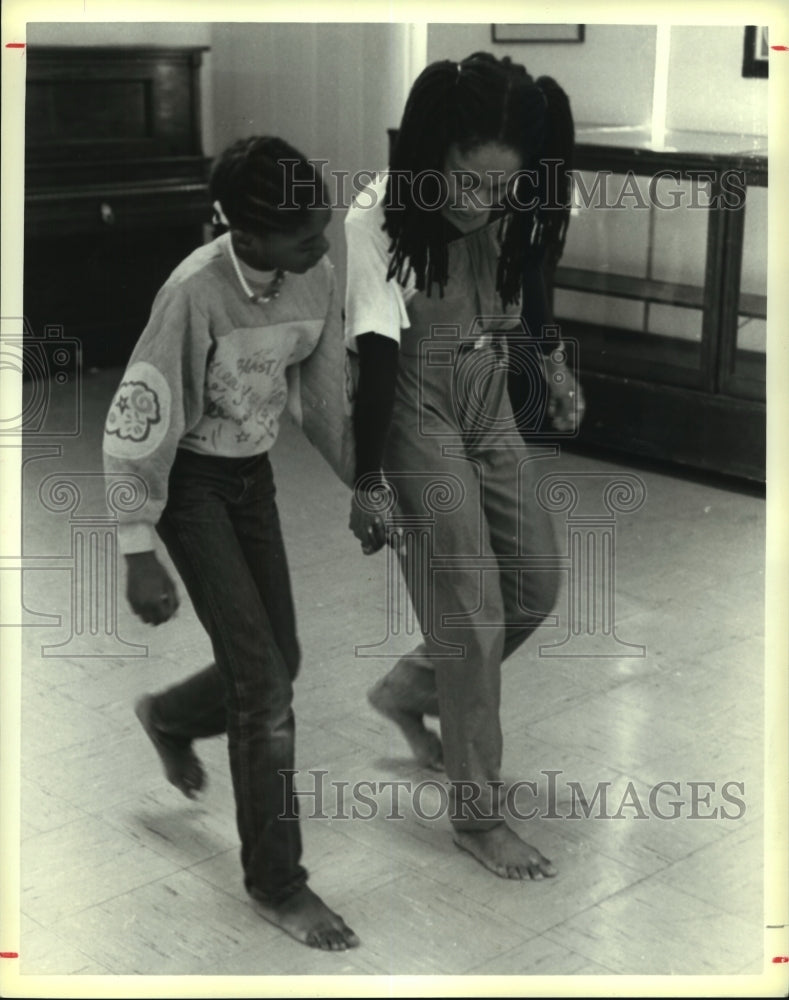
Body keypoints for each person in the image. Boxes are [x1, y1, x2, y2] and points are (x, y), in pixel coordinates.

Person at [103, 135, 358, 951]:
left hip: (250, 477)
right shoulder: (193, 293)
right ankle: (278, 883)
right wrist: (137, 549)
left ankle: (169, 717)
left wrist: (371, 485)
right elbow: (138, 423)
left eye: (321, 227)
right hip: (190, 486)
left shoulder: (312, 275)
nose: (321, 245)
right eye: (303, 234)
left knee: (278, 659)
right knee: (263, 687)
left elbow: (322, 400)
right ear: (247, 237)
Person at [345, 52, 584, 881]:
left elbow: (535, 273)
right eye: (465, 181)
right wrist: (370, 481)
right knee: (471, 613)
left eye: (498, 187)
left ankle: (411, 689)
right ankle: (476, 816)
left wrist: (551, 367)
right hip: (411, 407)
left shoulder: (520, 192)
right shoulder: (376, 217)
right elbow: (374, 359)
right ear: (432, 148)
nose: (480, 201)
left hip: (484, 390)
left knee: (534, 585)